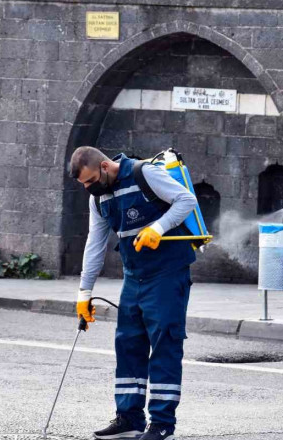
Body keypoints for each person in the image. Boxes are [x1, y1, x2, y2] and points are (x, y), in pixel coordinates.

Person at [70, 146, 198, 440]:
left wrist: (159, 227)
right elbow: (95, 245)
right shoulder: (99, 199)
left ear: (104, 166)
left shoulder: (144, 173)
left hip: (168, 272)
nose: (88, 188)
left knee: (165, 342)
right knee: (128, 344)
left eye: (90, 181)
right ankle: (129, 417)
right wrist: (84, 292)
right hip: (134, 276)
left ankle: (162, 423)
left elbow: (185, 199)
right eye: (83, 185)